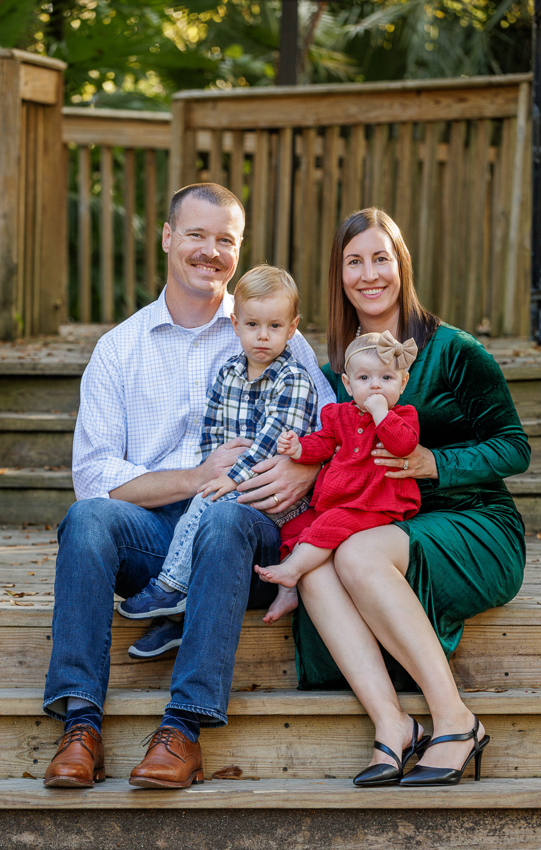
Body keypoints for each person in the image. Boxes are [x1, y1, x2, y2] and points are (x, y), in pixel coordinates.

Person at [42, 183, 335, 789]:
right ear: (167, 236)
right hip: (154, 532)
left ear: (239, 249)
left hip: (245, 532)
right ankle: (80, 725)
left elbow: (332, 425)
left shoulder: (269, 327)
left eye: (225, 239)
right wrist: (197, 478)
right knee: (87, 519)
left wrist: (305, 468)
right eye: (196, 234)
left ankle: (183, 729)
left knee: (223, 519)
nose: (210, 251)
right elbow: (93, 476)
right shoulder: (119, 348)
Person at [290, 207, 530, 788]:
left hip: (472, 520)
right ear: (339, 274)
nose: (369, 274)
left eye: (381, 258)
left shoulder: (453, 351)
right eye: (354, 262)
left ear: (402, 265)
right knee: (314, 566)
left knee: (356, 554)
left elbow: (514, 447)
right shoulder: (336, 370)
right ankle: (392, 723)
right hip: (378, 522)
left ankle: (456, 720)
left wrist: (435, 463)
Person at [118, 264, 318, 632]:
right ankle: (174, 621)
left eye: (275, 326)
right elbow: (212, 428)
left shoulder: (294, 379)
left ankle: (170, 588)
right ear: (235, 325)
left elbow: (271, 440)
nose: (263, 336)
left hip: (274, 496)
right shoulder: (229, 373)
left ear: (292, 328)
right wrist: (214, 470)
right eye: (253, 324)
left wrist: (230, 480)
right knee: (204, 502)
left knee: (208, 503)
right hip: (236, 484)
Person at [254, 331, 421, 589]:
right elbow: (324, 442)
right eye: (364, 378)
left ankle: (291, 570)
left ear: (403, 383)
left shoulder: (403, 416)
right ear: (348, 384)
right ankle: (289, 591)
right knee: (293, 527)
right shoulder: (338, 414)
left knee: (330, 524)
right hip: (339, 499)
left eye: (386, 377)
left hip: (377, 502)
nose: (375, 385)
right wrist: (299, 448)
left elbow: (402, 446)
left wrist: (380, 413)